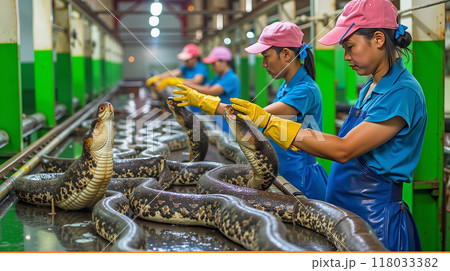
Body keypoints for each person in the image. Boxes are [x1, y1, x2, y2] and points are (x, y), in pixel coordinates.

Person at [230, 0, 424, 251]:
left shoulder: (402, 91)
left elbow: (344, 149)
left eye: (350, 47)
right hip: (347, 214)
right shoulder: (371, 86)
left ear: (378, 39)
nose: (346, 57)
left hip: (375, 224)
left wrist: (272, 124)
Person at [174, 21, 328, 200]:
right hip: (284, 171)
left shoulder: (305, 90)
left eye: (266, 56)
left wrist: (205, 102)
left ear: (286, 54)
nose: (263, 64)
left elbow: (254, 115)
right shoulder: (286, 86)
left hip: (300, 178)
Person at [175, 46, 241, 133]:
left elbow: (211, 91)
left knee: (228, 142)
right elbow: (206, 87)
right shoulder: (218, 77)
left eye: (214, 63)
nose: (212, 67)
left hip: (228, 120)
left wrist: (183, 83)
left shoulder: (231, 78)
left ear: (224, 62)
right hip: (219, 117)